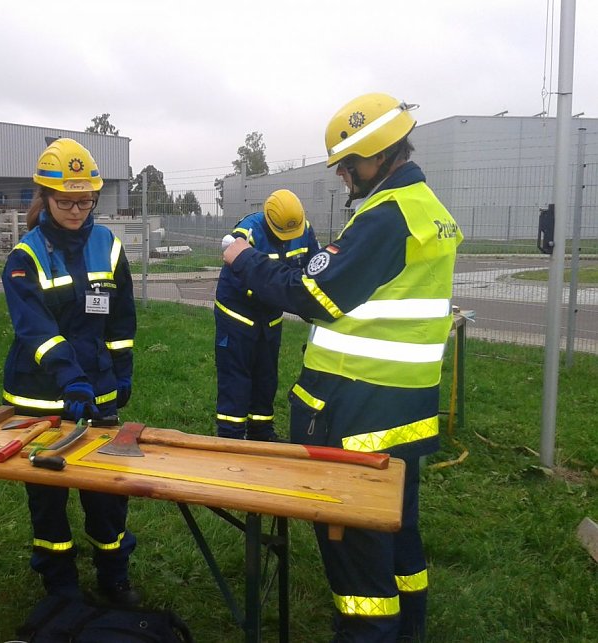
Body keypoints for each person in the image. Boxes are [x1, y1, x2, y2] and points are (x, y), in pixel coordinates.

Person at [223, 93, 463, 641]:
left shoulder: (384, 218)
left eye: (347, 165)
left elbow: (312, 295)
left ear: (377, 155)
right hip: (404, 411)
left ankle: (369, 634)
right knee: (400, 537)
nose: (343, 177)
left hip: (356, 416)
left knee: (356, 556)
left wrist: (246, 262)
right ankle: (410, 631)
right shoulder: (427, 209)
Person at [1, 138, 139, 606]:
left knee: (105, 492)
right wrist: (70, 378)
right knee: (48, 497)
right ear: (44, 197)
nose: (78, 210)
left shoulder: (109, 245)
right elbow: (35, 330)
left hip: (97, 388)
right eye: (67, 201)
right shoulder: (25, 257)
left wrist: (121, 368)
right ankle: (60, 584)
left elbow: (120, 318)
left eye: (86, 200)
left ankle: (114, 578)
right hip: (41, 395)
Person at [214, 189, 319, 441]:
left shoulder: (303, 229)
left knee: (266, 375)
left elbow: (314, 268)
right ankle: (231, 435)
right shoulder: (247, 232)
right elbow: (242, 275)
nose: (286, 240)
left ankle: (261, 431)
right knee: (236, 378)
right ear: (269, 221)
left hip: (271, 317)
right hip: (238, 316)